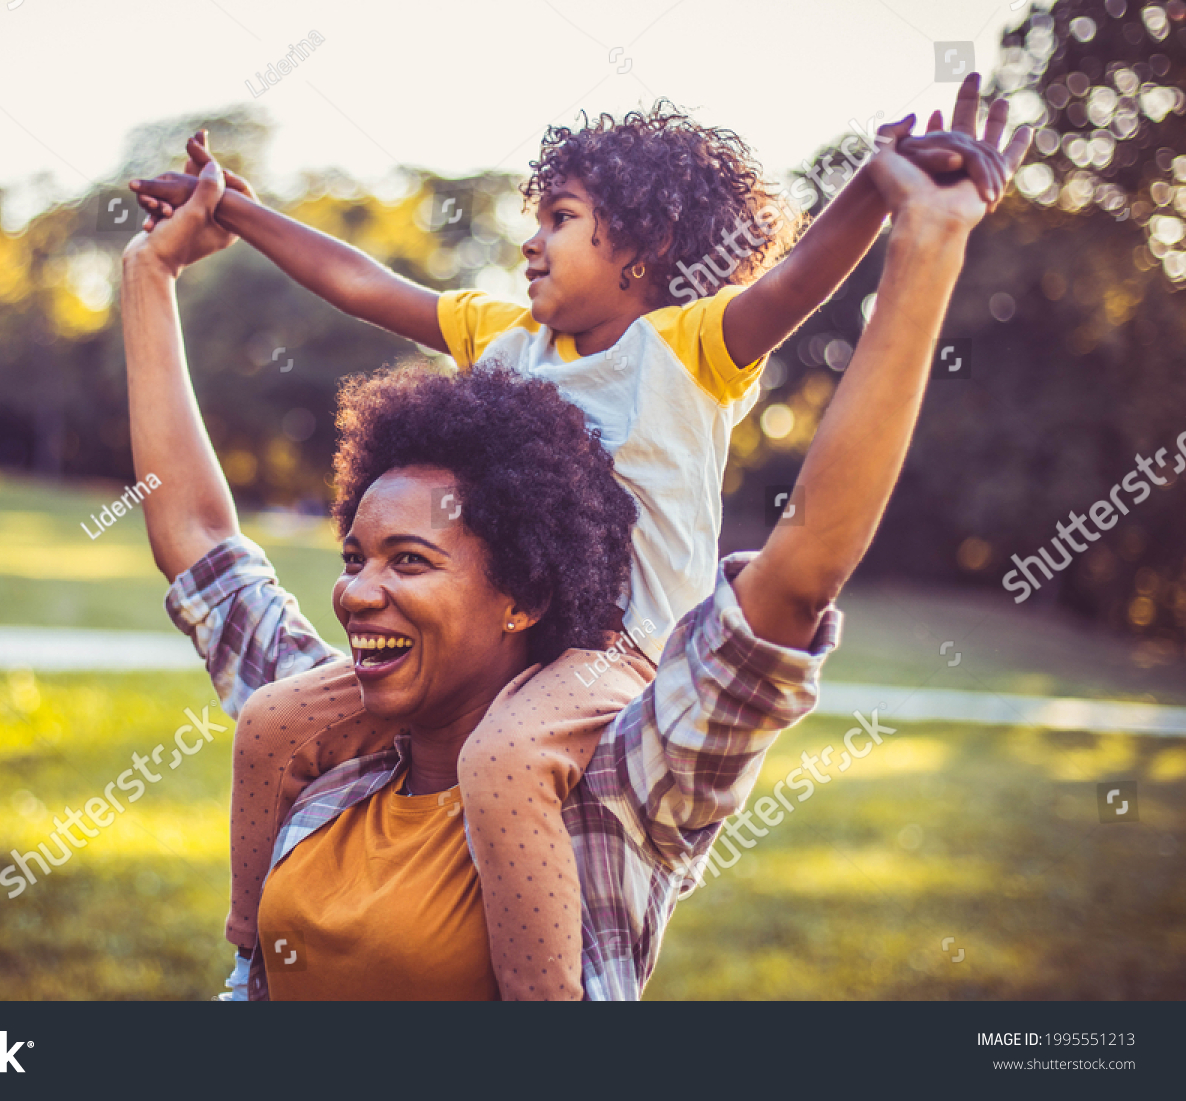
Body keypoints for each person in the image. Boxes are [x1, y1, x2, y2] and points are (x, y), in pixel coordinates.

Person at [118, 100, 1031, 999]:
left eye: (562, 219)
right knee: (275, 717)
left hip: (618, 659)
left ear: (647, 244)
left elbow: (794, 289)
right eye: (365, 559)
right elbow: (359, 281)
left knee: (504, 759)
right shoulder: (505, 338)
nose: (532, 239)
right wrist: (231, 208)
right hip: (525, 668)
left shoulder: (686, 349)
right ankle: (249, 959)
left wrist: (879, 191)